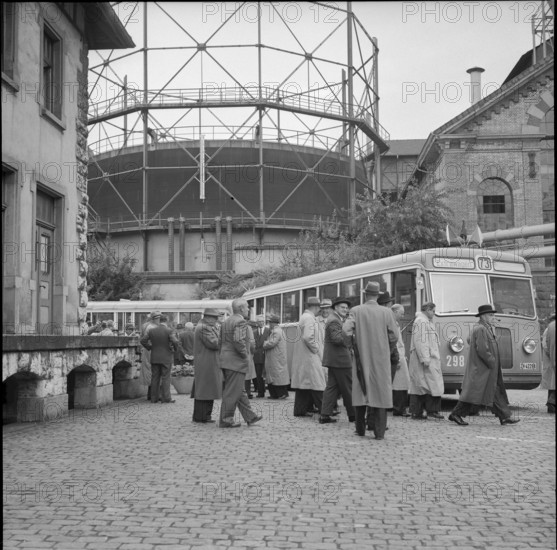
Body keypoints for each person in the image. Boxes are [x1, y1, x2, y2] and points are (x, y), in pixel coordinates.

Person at [343, 282, 399, 440]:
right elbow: (394, 335)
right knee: (381, 392)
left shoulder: (356, 311)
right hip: (381, 358)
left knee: (360, 390)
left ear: (365, 294)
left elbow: (346, 332)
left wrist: (351, 347)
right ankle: (379, 433)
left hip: (361, 356)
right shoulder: (387, 313)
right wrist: (387, 348)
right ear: (377, 295)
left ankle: (360, 429)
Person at [449, 304, 521, 426]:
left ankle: (504, 417)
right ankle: (456, 414)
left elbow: (471, 341)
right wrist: (492, 361)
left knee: (493, 392)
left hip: (485, 369)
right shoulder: (481, 329)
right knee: (473, 394)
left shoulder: (483, 328)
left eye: (494, 315)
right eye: (491, 315)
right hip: (483, 369)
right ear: (483, 316)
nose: (494, 317)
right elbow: (482, 349)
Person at [219, 298, 263, 428]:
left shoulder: (226, 321)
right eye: (247, 307)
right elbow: (238, 341)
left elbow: (220, 342)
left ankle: (250, 417)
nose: (249, 309)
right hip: (236, 362)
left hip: (227, 360)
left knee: (239, 391)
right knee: (232, 392)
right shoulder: (240, 321)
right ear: (241, 308)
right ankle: (226, 420)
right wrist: (245, 356)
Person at [319, 297, 354, 424]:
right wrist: (351, 335)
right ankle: (353, 415)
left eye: (346, 307)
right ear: (335, 308)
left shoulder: (336, 319)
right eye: (342, 307)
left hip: (335, 360)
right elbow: (337, 339)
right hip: (340, 360)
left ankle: (325, 415)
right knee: (349, 387)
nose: (345, 309)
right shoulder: (334, 320)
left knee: (332, 388)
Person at [291, 296, 327, 417]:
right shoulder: (309, 318)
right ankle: (325, 411)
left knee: (303, 386)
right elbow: (308, 337)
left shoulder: (305, 317)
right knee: (317, 384)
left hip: (306, 357)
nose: (320, 310)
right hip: (310, 357)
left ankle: (300, 410)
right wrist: (316, 349)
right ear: (316, 307)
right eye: (319, 308)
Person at [408, 302, 444, 420]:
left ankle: (422, 411)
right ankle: (427, 411)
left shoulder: (423, 321)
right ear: (428, 310)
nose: (434, 314)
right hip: (426, 358)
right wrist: (425, 358)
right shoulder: (422, 321)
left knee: (425, 385)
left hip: (427, 357)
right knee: (426, 385)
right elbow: (421, 341)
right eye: (433, 311)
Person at [140, 311, 180, 404]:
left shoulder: (151, 330)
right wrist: (174, 349)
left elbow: (143, 340)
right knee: (166, 377)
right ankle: (166, 398)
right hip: (166, 357)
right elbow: (175, 342)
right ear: (166, 321)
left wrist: (150, 347)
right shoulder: (169, 330)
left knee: (155, 377)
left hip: (154, 356)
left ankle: (154, 398)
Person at [192, 308, 222, 423]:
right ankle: (201, 416)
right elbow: (214, 343)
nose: (216, 320)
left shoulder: (205, 327)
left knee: (207, 390)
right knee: (205, 390)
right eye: (215, 318)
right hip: (206, 363)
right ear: (208, 317)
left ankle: (204, 415)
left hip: (207, 362)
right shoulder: (204, 328)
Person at [262, 314, 290, 399]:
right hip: (275, 358)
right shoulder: (278, 331)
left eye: (270, 322)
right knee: (275, 376)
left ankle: (281, 394)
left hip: (275, 358)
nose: (269, 324)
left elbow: (271, 343)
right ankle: (275, 394)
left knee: (276, 376)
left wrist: (264, 344)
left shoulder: (276, 332)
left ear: (274, 323)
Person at [391, 304, 411, 417]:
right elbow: (395, 343)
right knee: (399, 384)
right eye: (401, 313)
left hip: (399, 355)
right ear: (395, 311)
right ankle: (398, 408)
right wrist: (398, 358)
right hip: (397, 356)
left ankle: (400, 408)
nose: (402, 316)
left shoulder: (395, 323)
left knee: (401, 383)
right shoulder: (393, 324)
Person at [140, 312, 158, 401]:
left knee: (149, 371)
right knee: (154, 371)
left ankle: (150, 394)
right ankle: (153, 394)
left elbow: (141, 338)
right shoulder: (152, 327)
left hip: (147, 351)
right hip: (151, 350)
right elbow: (144, 340)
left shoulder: (145, 325)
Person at [541, 313, 555, 414]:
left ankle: (551, 405)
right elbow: (546, 345)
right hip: (551, 361)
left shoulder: (549, 328)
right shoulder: (549, 329)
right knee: (552, 386)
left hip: (551, 361)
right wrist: (551, 354)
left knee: (552, 385)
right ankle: (551, 404)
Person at [253, 315, 269, 398]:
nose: (261, 323)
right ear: (257, 323)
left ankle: (272, 392)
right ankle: (260, 392)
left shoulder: (268, 331)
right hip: (256, 357)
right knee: (258, 375)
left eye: (262, 321)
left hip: (266, 356)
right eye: (259, 321)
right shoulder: (254, 332)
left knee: (267, 374)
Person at [245, 321, 258, 398]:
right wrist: (253, 352)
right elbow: (252, 344)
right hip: (247, 355)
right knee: (247, 376)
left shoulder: (232, 325)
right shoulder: (248, 328)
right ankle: (247, 392)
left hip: (237, 356)